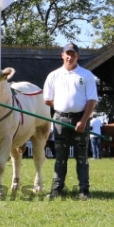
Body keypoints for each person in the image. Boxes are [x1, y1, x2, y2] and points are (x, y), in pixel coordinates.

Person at [43, 42, 98, 200]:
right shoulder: (54, 75)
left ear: (77, 56)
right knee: (60, 156)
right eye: (67, 54)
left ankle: (84, 191)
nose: (70, 57)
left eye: (73, 54)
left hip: (81, 119)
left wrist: (83, 120)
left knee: (81, 156)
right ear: (62, 55)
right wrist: (62, 107)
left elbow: (92, 100)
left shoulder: (86, 75)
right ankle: (57, 189)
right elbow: (47, 99)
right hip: (60, 120)